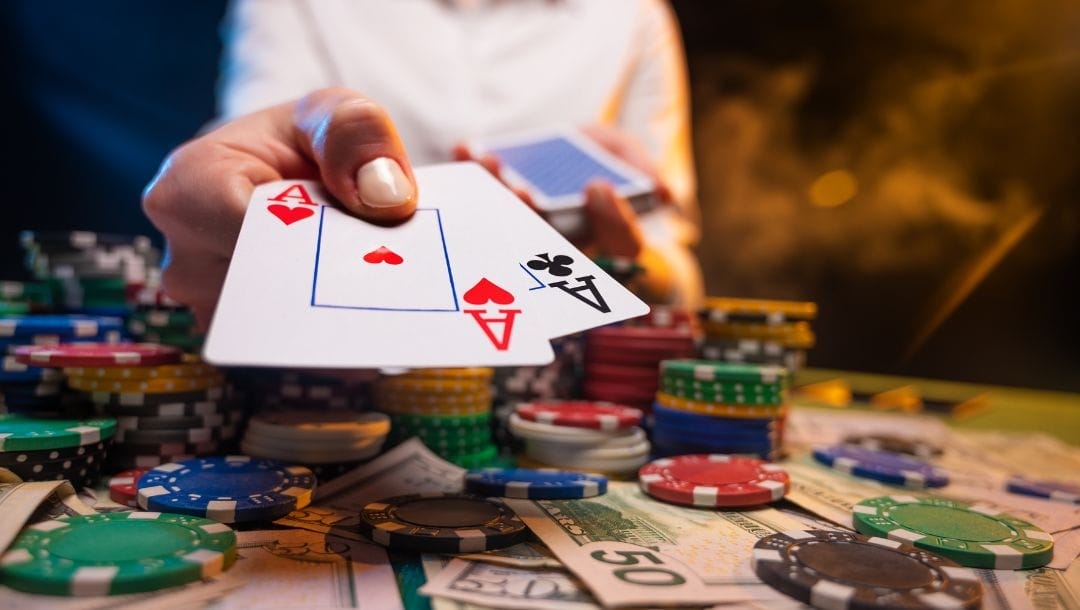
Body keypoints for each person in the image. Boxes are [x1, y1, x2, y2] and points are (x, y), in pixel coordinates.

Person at [144, 0, 704, 328]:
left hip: (554, 373)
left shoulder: (634, 14)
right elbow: (258, 165)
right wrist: (217, 194)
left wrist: (618, 262)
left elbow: (674, 274)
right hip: (349, 353)